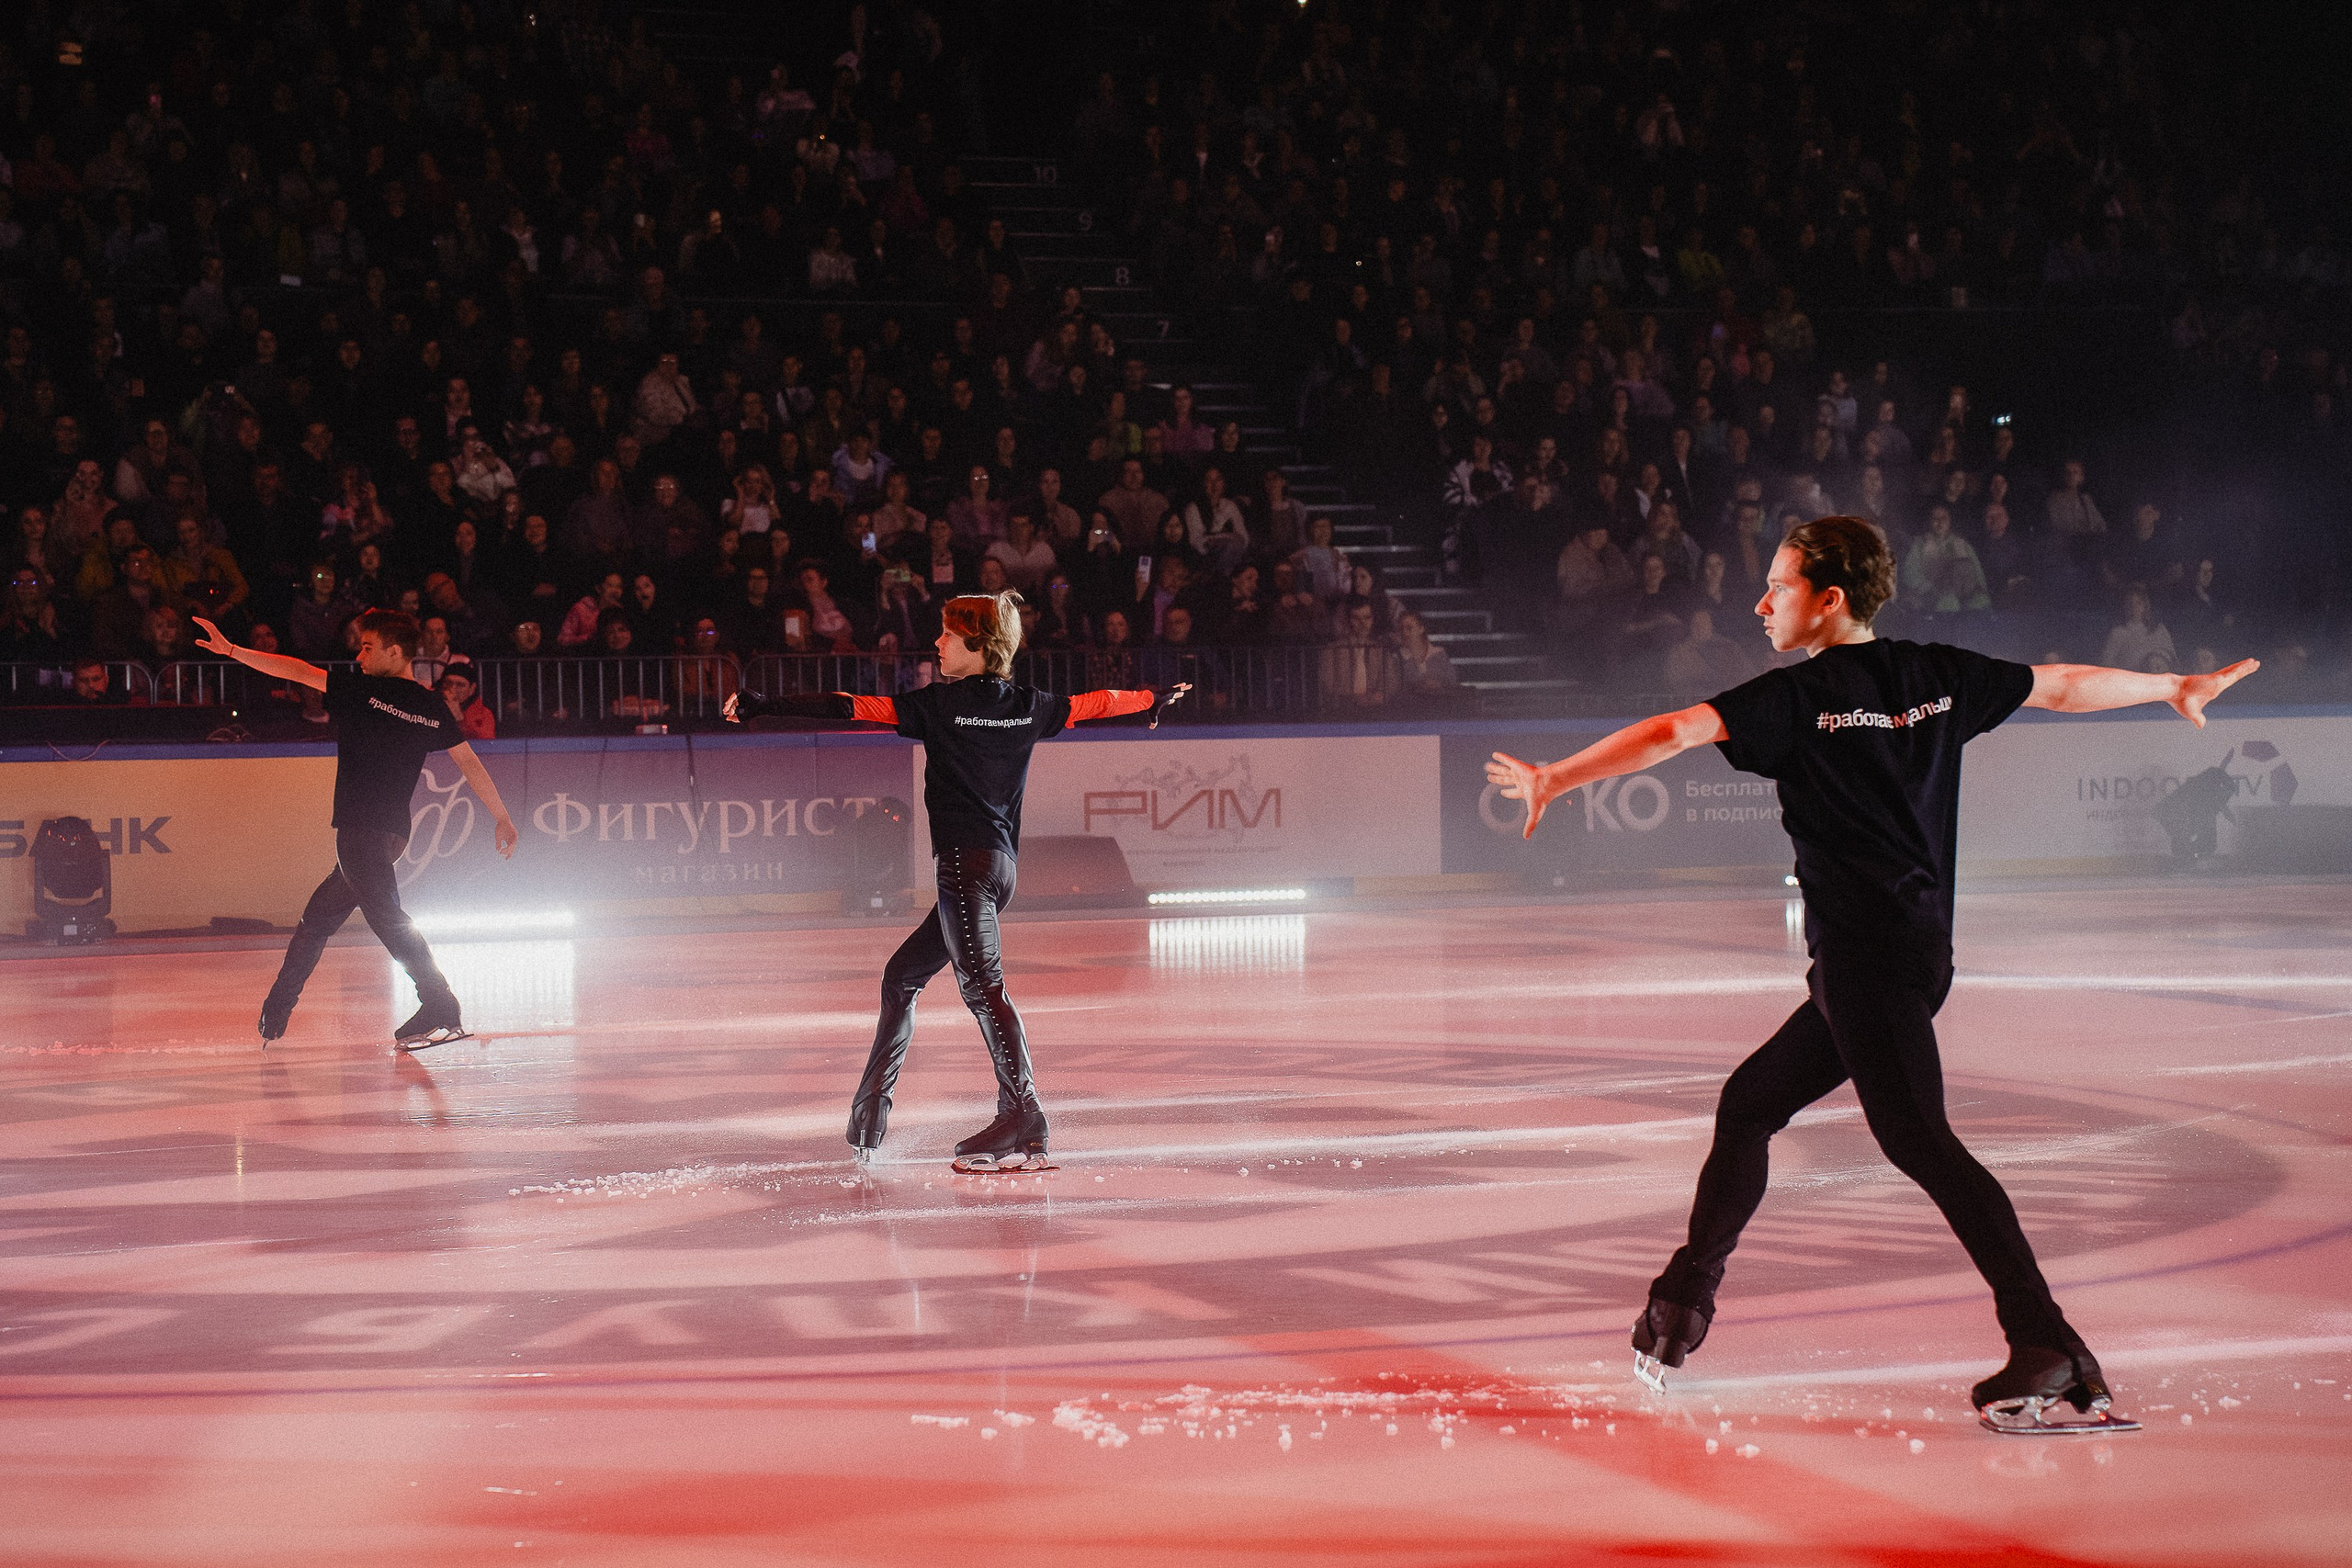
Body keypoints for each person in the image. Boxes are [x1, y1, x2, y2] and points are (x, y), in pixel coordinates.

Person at [1484, 515, 2256, 1434]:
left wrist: (1556, 778)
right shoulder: (1934, 675)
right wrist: (2172, 686)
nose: (1761, 602)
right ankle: (1682, 1301)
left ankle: (2046, 1343)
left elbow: (1671, 730)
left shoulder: (1795, 698)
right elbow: (2059, 684)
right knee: (1749, 1104)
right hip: (1912, 956)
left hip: (1863, 964)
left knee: (1922, 1143)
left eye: (1778, 585)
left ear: (1829, 599)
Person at [724, 592, 1183, 1172]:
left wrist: (766, 704)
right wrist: (1150, 699)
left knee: (983, 989)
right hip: (999, 871)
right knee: (902, 976)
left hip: (964, 871)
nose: (937, 643)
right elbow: (1098, 703)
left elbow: (850, 707)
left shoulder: (937, 706)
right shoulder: (1030, 705)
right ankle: (871, 1109)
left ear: (978, 645)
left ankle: (1025, 1114)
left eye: (947, 634)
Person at [192, 609, 519, 1049]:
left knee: (386, 915)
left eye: (368, 648)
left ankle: (440, 1003)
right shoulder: (430, 706)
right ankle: (277, 1009)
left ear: (395, 652)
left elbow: (295, 670)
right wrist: (501, 815)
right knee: (318, 919)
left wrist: (232, 650)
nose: (359, 656)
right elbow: (469, 762)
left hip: (362, 830)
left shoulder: (363, 691)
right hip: (393, 835)